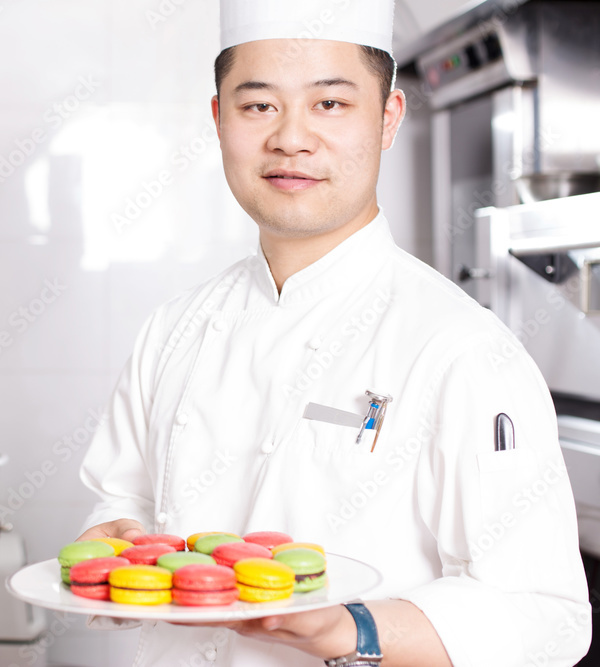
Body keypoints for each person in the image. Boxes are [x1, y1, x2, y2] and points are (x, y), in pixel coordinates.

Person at [76, 0, 592, 665]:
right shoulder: (173, 330)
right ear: (218, 119)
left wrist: (352, 628)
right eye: (259, 106)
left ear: (388, 119)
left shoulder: (461, 348)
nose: (291, 138)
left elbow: (546, 613)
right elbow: (121, 498)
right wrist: (112, 533)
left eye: (330, 104)